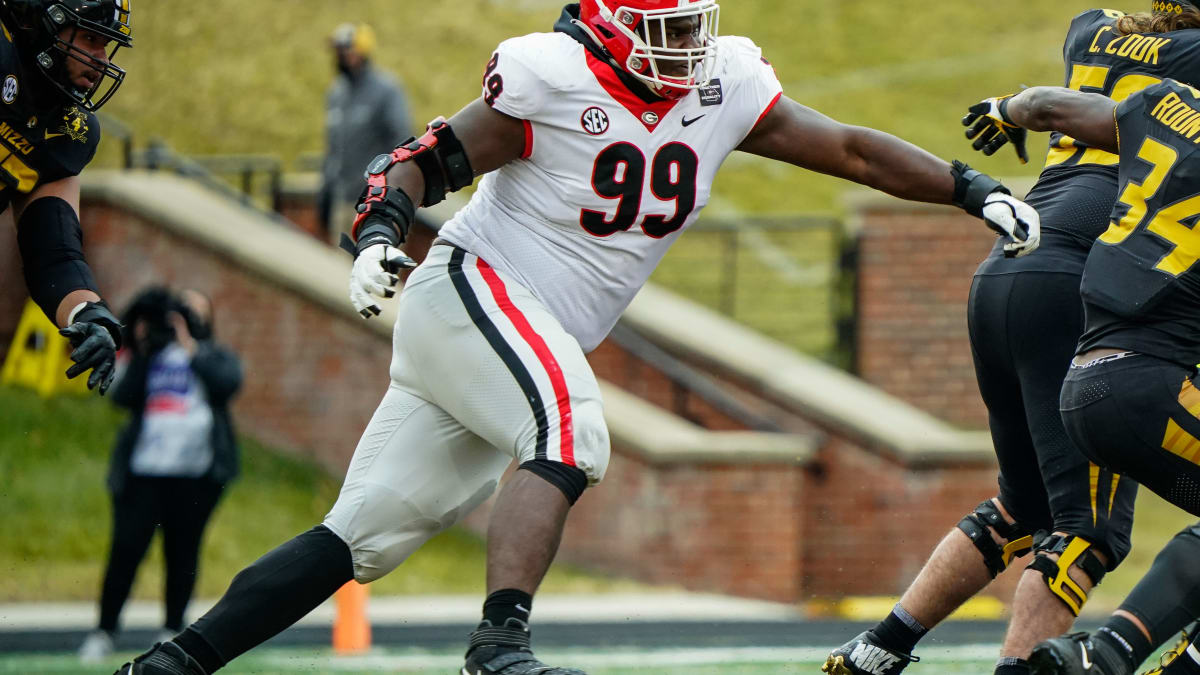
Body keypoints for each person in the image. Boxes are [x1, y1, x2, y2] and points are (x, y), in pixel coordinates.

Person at [114, 2, 1040, 674]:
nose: (689, 51)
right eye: (665, 32)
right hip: (472, 292)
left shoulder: (721, 82)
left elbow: (846, 149)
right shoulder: (548, 78)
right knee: (570, 431)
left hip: (519, 332)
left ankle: (172, 662)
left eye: (694, 28)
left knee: (359, 539)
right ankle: (499, 645)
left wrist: (966, 186)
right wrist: (378, 237)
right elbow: (420, 163)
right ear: (606, 27)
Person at [823, 4, 1200, 674]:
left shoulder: (1091, 29)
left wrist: (1003, 107)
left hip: (1009, 260)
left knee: (1022, 504)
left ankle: (880, 646)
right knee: (1084, 531)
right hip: (1087, 288)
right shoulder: (1186, 74)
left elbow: (1064, 104)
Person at [950, 73, 1200, 675]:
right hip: (1148, 383)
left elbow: (1049, 104)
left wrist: (1006, 109)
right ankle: (1107, 652)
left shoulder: (1169, 103)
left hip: (1084, 380)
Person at [78, 286, 242, 664]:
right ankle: (104, 630)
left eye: (195, 312)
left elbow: (227, 383)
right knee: (125, 551)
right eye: (180, 310)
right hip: (144, 475)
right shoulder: (149, 355)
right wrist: (143, 344)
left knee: (182, 555)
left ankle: (172, 630)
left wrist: (190, 346)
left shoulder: (212, 355)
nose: (184, 318)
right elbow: (121, 397)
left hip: (194, 477)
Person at [1, 0, 132, 394]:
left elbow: (55, 255)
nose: (100, 59)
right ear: (43, 23)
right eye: (90, 38)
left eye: (106, 44)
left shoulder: (68, 131)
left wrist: (89, 313)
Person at [319, 22, 412, 244]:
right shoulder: (336, 93)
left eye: (346, 49)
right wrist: (326, 189)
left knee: (378, 272)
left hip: (377, 205)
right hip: (344, 202)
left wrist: (391, 194)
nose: (340, 56)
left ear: (361, 51)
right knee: (337, 274)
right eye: (338, 50)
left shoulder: (386, 91)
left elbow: (401, 143)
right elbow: (333, 150)